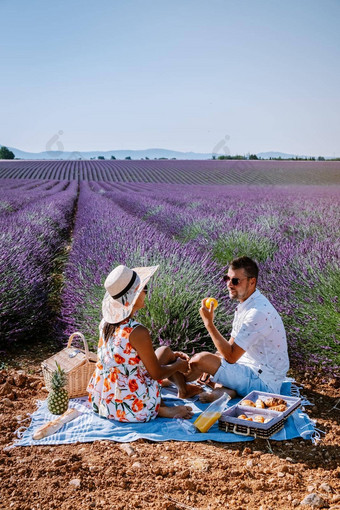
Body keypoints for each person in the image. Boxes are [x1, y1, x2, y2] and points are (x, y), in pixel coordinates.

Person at [87, 264, 201, 422]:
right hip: (131, 406)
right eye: (144, 288)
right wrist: (179, 365)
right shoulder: (137, 332)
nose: (147, 292)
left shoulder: (106, 324)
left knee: (164, 351)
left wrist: (170, 359)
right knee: (165, 363)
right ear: (134, 295)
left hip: (104, 400)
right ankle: (159, 409)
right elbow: (156, 374)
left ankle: (183, 389)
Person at [186, 256, 290, 401]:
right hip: (248, 367)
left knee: (199, 360)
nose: (229, 284)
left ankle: (181, 384)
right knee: (209, 363)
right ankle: (223, 392)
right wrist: (213, 364)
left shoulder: (257, 313)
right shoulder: (245, 305)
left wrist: (209, 324)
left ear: (252, 281)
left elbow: (231, 356)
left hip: (264, 382)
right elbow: (229, 348)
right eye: (227, 278)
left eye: (235, 281)